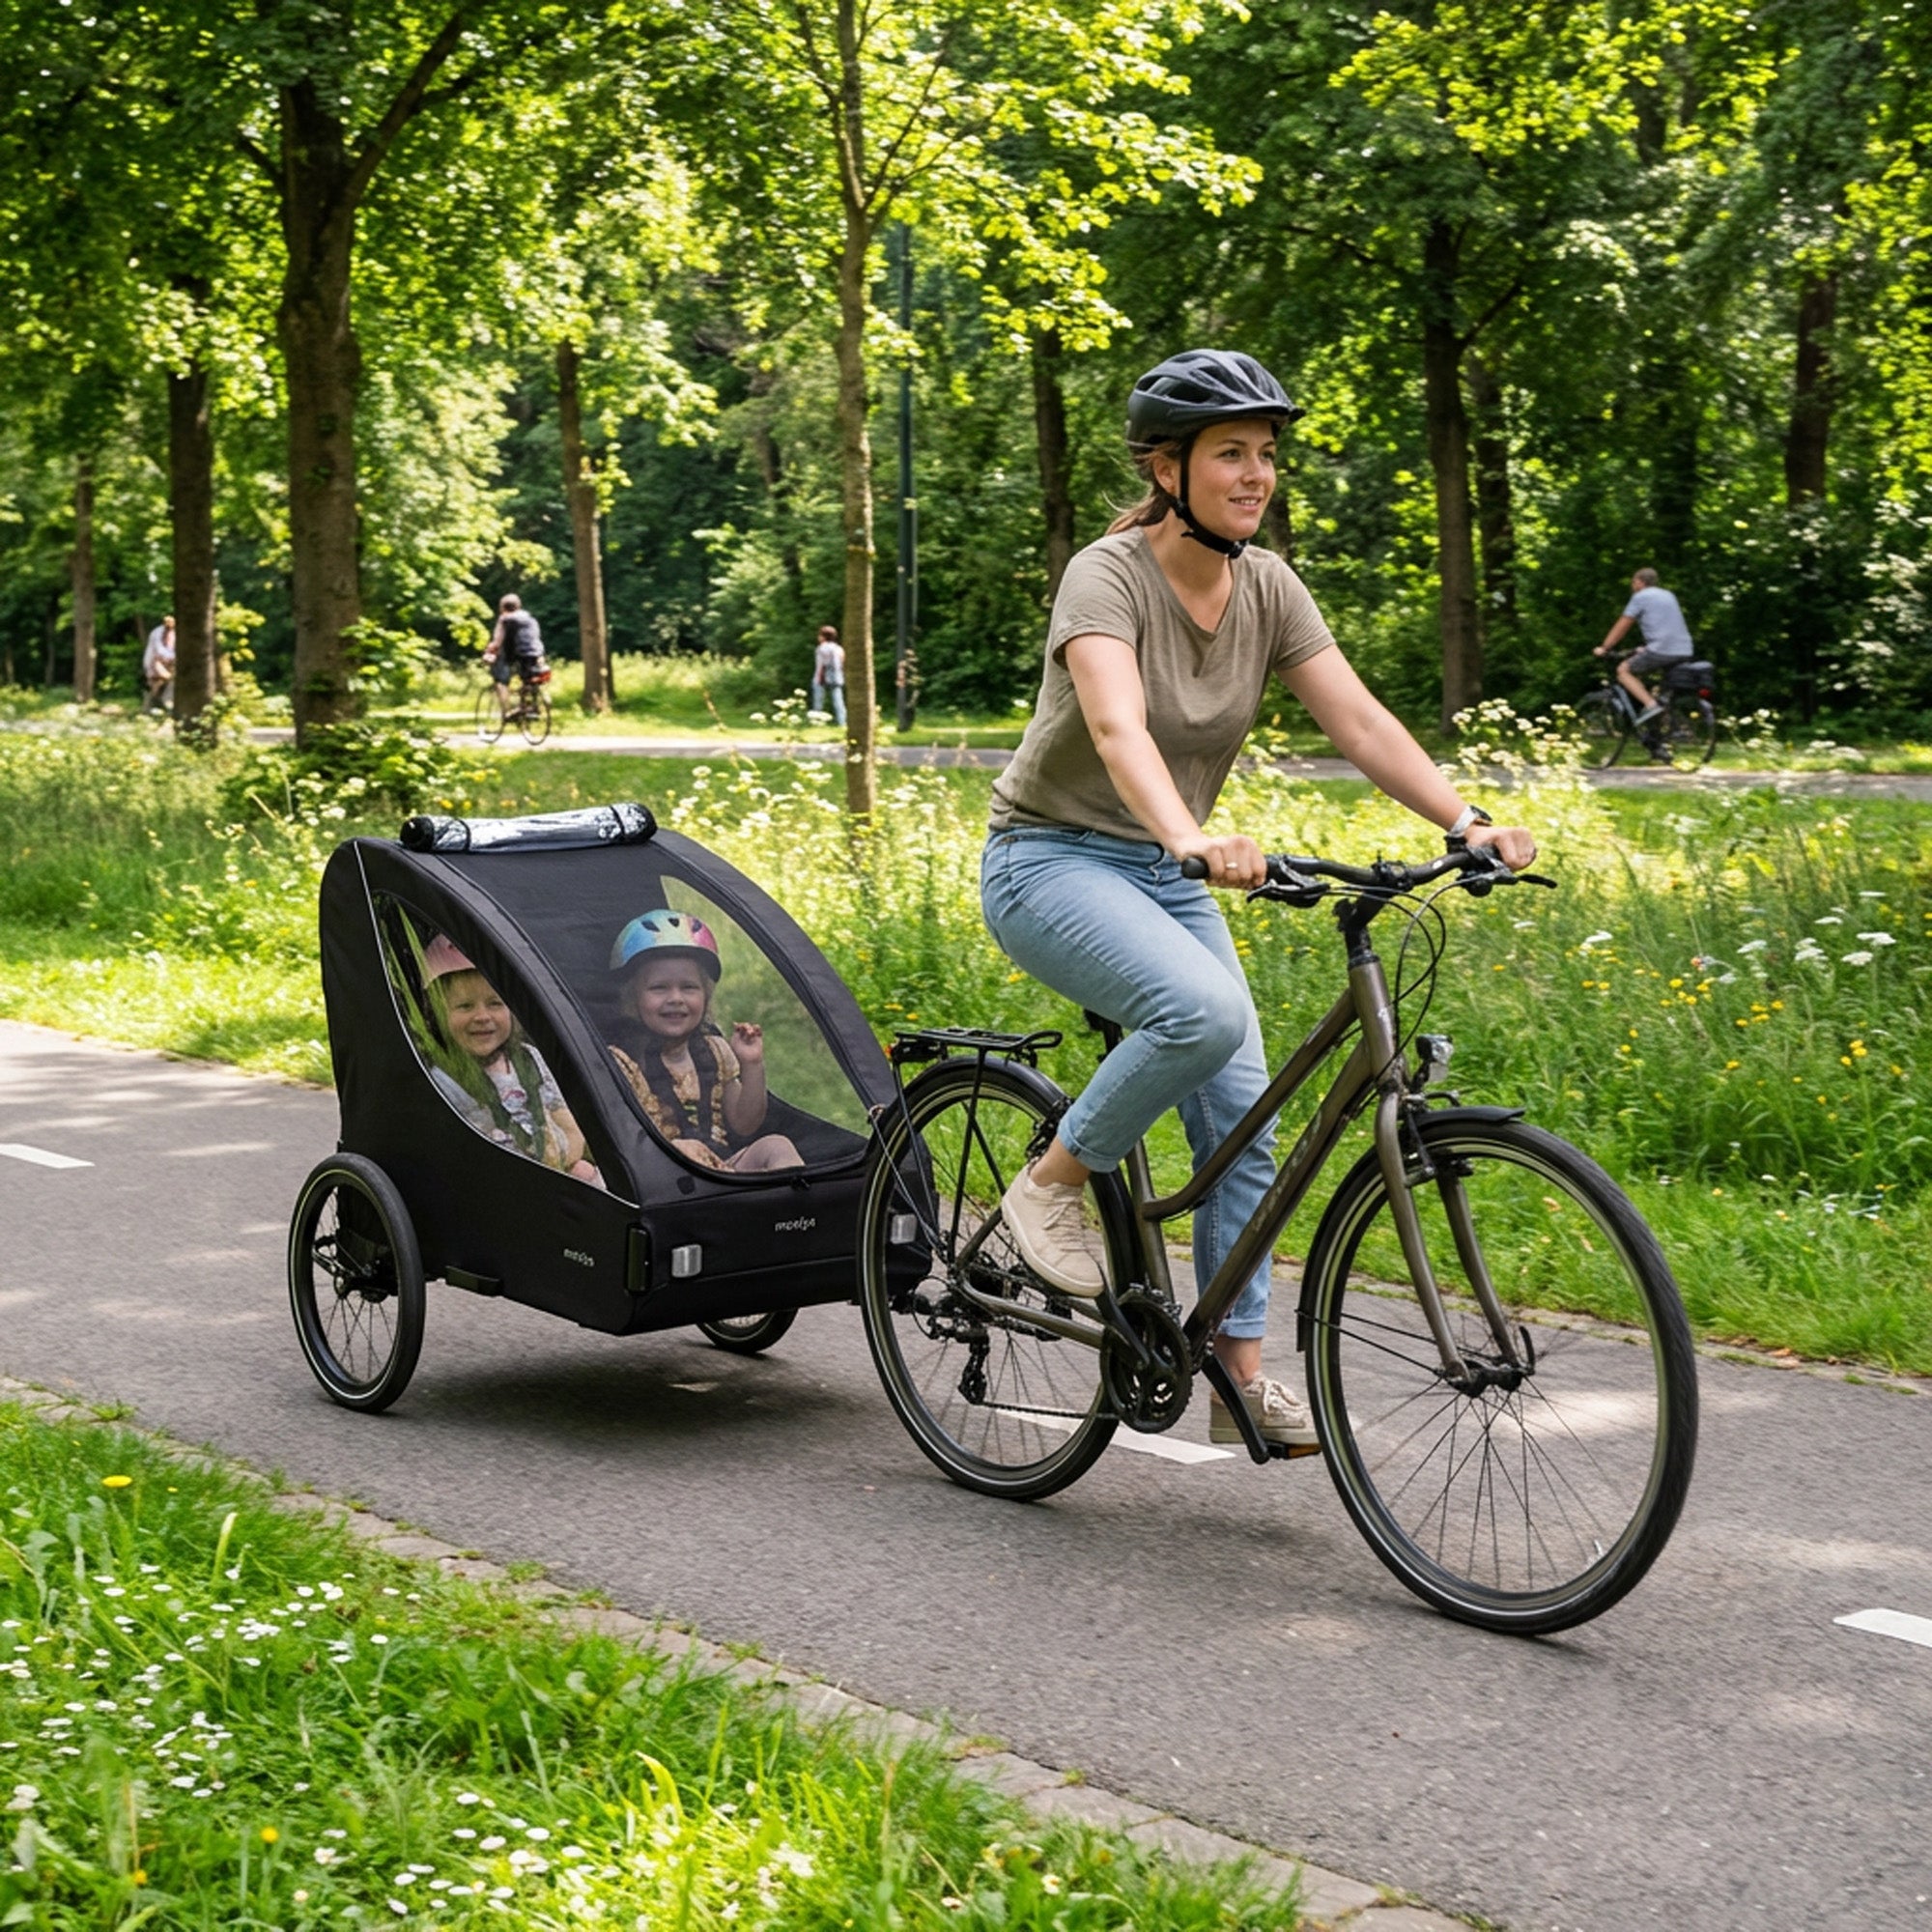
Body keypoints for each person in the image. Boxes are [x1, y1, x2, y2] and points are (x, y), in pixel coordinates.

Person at [980, 348, 1536, 1449]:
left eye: (1266, 453)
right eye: (1229, 452)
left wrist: (1463, 820)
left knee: (1244, 1121)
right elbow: (1116, 726)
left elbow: (1359, 720)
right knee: (1203, 1014)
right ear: (1167, 468)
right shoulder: (1106, 575)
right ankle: (1049, 1183)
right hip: (1048, 860)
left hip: (1164, 871)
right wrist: (1188, 835)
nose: (1255, 474)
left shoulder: (1268, 586)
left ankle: (1237, 1379)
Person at [607, 909, 804, 1173]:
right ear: (633, 998)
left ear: (706, 996)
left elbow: (745, 1124)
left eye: (688, 987)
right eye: (659, 988)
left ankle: (792, 1197)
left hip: (720, 1170)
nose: (675, 998)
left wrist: (752, 1064)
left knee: (777, 1146)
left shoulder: (715, 1050)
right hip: (661, 1173)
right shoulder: (622, 1062)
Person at [421, 936, 603, 1185]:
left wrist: (566, 1158)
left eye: (495, 1003)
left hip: (556, 1171)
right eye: (465, 1006)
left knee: (585, 1171)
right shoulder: (443, 1080)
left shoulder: (529, 1059)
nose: (482, 1016)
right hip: (500, 1183)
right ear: (436, 1014)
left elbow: (564, 1117)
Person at [1594, 567, 1695, 749]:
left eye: (1633, 582)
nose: (1632, 586)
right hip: (1684, 649)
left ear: (1640, 582)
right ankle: (1662, 733)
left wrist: (1605, 647)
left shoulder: (1641, 596)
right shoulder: (1668, 595)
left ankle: (1650, 705)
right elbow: (1665, 626)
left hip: (1661, 650)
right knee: (1662, 692)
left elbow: (1623, 624)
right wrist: (1645, 648)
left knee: (1623, 670)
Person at [483, 594, 547, 722]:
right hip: (537, 652)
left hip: (517, 653)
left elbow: (497, 641)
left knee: (501, 679)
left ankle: (507, 712)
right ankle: (532, 706)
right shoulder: (530, 619)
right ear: (518, 606)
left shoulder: (504, 619)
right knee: (529, 679)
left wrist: (488, 651)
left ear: (502, 608)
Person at [810, 624, 846, 726]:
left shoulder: (821, 648)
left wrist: (818, 678)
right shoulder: (839, 648)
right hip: (837, 677)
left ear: (823, 636)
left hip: (821, 677)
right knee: (838, 701)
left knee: (818, 702)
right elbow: (842, 662)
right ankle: (842, 722)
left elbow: (820, 665)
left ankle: (817, 722)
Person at [141, 615, 176, 715]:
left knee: (166, 682)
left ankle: (161, 705)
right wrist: (173, 656)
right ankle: (149, 707)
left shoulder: (173, 633)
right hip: (155, 662)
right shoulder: (157, 633)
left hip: (168, 663)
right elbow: (159, 649)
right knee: (156, 683)